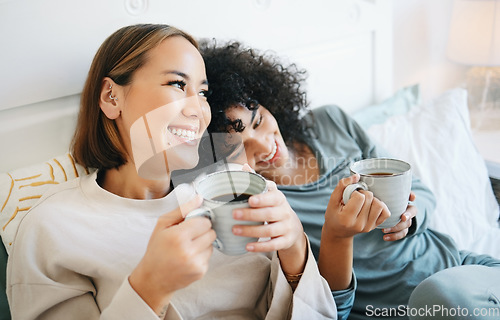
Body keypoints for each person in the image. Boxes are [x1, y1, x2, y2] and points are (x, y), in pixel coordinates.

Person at [6, 25, 338, 320]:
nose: (199, 110)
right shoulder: (50, 228)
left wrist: (294, 249)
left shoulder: (229, 193)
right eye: (177, 84)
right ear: (111, 97)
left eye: (203, 92)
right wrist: (149, 289)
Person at [200, 40, 500, 320]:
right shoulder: (262, 207)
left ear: (268, 102)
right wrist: (337, 237)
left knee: (445, 294)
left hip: (467, 271)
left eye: (259, 121)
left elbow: (418, 188)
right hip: (409, 308)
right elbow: (331, 309)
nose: (265, 147)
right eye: (240, 147)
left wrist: (410, 216)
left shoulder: (331, 122)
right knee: (437, 297)